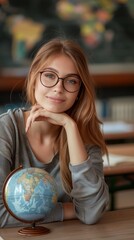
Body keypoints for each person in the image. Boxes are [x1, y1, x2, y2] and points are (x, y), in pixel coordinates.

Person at [0, 38, 109, 228]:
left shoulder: (84, 136)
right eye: (50, 76)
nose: (58, 88)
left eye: (71, 81)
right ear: (34, 78)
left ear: (79, 92)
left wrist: (70, 126)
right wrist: (69, 210)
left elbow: (91, 212)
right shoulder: (6, 129)